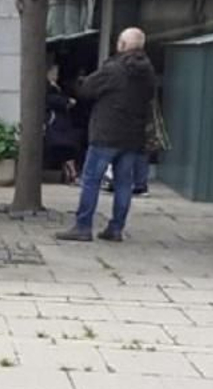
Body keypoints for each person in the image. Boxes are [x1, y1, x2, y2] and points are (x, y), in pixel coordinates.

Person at [56, 28, 156, 243]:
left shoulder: (113, 69)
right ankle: (116, 228)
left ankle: (83, 226)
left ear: (121, 44)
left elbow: (86, 90)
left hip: (106, 133)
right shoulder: (148, 71)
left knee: (91, 179)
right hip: (133, 135)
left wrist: (78, 82)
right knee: (123, 183)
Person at [45, 64, 81, 184]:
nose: (56, 75)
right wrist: (66, 101)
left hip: (62, 121)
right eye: (54, 72)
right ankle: (71, 172)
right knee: (63, 146)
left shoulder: (57, 86)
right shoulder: (47, 86)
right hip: (55, 121)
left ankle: (70, 170)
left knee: (67, 146)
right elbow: (50, 99)